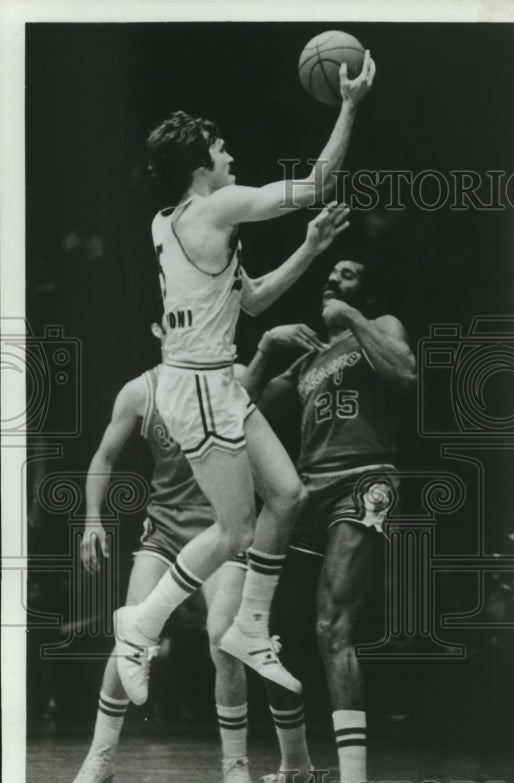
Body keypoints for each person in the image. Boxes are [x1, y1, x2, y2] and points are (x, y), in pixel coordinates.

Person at [112, 53, 376, 706]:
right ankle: (139, 626)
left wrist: (311, 249)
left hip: (214, 384)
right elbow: (315, 184)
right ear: (201, 163)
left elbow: (251, 302)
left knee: (288, 497)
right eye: (220, 147)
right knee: (233, 531)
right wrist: (349, 105)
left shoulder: (171, 223)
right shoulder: (217, 205)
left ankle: (250, 626)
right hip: (197, 389)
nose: (229, 155)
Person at [70, 299, 317, 783]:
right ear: (159, 327)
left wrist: (277, 348)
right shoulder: (142, 390)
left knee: (223, 638)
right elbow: (103, 455)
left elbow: (275, 393)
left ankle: (235, 768)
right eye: (176, 321)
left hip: (224, 533)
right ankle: (99, 760)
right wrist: (92, 518)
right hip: (162, 536)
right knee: (130, 637)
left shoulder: (229, 381)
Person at [241, 252, 416, 783]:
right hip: (308, 491)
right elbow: (238, 407)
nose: (332, 280)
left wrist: (352, 320)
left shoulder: (380, 326)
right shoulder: (310, 359)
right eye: (330, 274)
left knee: (332, 626)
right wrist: (267, 348)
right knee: (261, 632)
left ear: (365, 291)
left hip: (364, 481)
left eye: (348, 273)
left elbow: (406, 375)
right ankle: (296, 771)